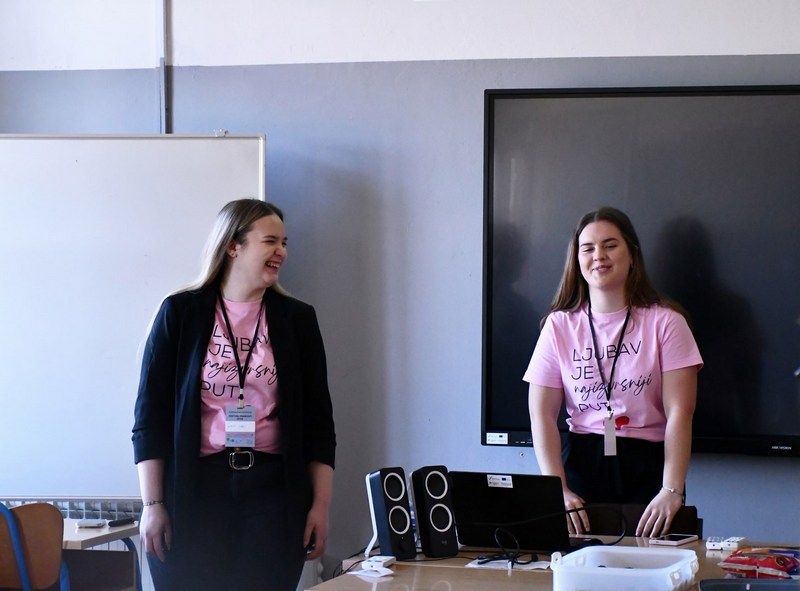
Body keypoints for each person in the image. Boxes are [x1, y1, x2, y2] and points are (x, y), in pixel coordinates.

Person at [132, 199, 336, 590]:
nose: (282, 252)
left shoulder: (297, 319)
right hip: (193, 491)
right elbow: (149, 420)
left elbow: (319, 426)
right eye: (270, 241)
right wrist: (152, 505)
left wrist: (320, 507)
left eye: (284, 243)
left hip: (273, 495)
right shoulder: (180, 313)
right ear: (232, 246)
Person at [524, 207, 702, 538]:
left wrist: (672, 490)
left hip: (649, 467)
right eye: (588, 248)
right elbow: (541, 414)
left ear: (632, 255)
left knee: (649, 565)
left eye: (610, 245)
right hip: (581, 465)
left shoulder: (667, 323)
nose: (599, 256)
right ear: (577, 260)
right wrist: (557, 489)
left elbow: (681, 411)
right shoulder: (558, 326)